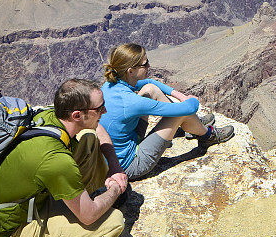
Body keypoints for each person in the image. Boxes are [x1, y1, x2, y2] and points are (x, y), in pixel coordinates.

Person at [0, 78, 129, 237]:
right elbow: (89, 217)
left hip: (29, 195)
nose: (104, 112)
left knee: (89, 136)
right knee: (113, 224)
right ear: (77, 115)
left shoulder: (49, 116)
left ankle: (80, 199)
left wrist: (114, 167)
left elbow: (97, 130)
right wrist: (115, 188)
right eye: (99, 109)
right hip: (9, 226)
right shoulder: (56, 161)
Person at [98, 43, 234, 179]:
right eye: (144, 64)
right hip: (130, 165)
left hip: (124, 145)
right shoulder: (131, 102)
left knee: (150, 89)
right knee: (180, 114)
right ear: (130, 71)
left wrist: (180, 95)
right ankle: (207, 136)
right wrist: (191, 99)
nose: (149, 66)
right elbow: (189, 108)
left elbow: (150, 82)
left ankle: (192, 125)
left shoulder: (111, 83)